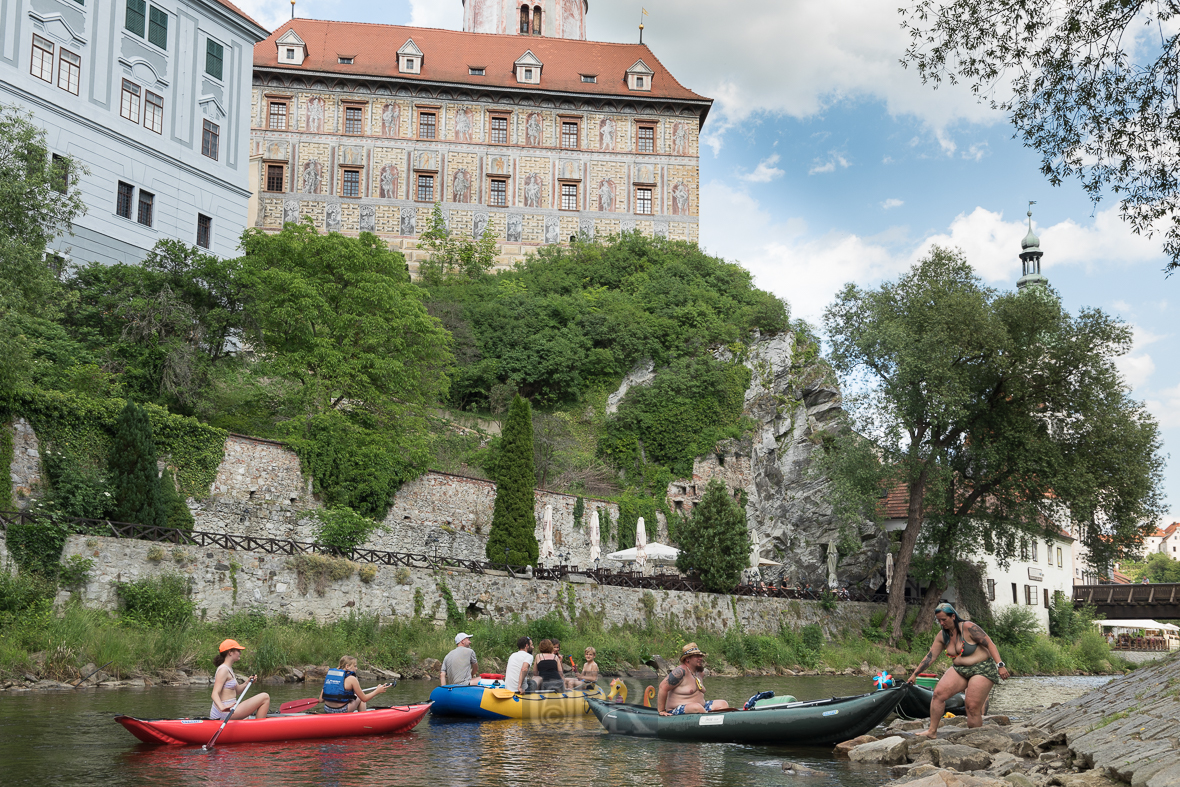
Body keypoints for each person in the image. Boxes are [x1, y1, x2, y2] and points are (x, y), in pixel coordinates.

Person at [906, 602, 1010, 736]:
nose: (942, 623)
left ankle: (975, 736)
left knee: (971, 707)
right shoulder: (942, 635)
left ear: (953, 617)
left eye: (944, 619)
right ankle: (932, 731)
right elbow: (930, 656)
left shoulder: (968, 627)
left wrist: (1000, 665)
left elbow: (990, 644)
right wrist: (915, 674)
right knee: (938, 695)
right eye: (939, 621)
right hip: (959, 669)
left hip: (982, 669)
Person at [657, 643, 731, 716]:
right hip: (677, 710)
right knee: (697, 707)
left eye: (701, 656)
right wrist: (662, 710)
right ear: (687, 659)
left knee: (723, 704)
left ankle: (719, 723)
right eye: (697, 656)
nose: (701, 658)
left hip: (701, 708)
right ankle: (709, 721)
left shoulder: (699, 673)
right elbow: (662, 687)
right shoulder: (680, 672)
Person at [210, 639, 271, 720]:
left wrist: (247, 682)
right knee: (265, 697)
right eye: (238, 650)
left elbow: (236, 691)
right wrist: (222, 707)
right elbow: (214, 694)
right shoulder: (223, 670)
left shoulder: (228, 668)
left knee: (247, 717)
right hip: (225, 712)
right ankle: (259, 727)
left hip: (231, 709)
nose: (240, 653)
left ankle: (256, 725)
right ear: (230, 652)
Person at [319, 655, 388, 713]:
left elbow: (321, 700)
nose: (356, 668)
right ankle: (363, 720)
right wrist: (377, 691)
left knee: (354, 696)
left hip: (327, 709)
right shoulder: (352, 679)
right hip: (341, 710)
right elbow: (364, 698)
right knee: (359, 698)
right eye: (355, 666)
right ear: (347, 666)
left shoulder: (330, 676)